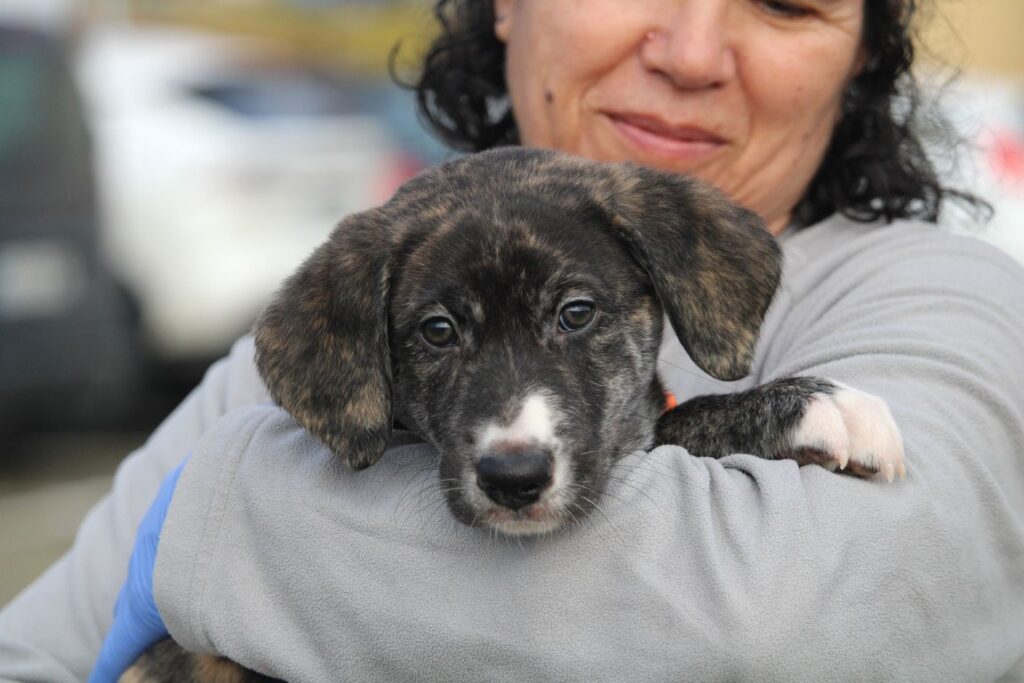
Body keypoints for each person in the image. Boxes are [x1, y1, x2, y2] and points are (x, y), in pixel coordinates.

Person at [3, 0, 1024, 680]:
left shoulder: (945, 300)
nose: (692, 51)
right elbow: (39, 655)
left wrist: (238, 504)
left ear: (859, 58)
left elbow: (777, 616)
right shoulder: (375, 287)